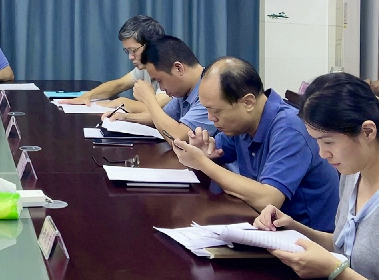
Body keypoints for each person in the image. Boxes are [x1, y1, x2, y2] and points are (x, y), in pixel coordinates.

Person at [171, 57, 339, 230]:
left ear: (248, 103)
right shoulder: (241, 124)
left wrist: (202, 162)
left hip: (305, 237)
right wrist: (204, 152)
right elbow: (215, 151)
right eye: (207, 109)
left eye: (217, 111)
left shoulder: (290, 129)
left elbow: (268, 199)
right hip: (264, 225)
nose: (210, 118)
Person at [254, 72, 379, 280]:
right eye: (317, 142)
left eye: (328, 142)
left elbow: (343, 265)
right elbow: (343, 246)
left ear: (367, 131)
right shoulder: (352, 173)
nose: (322, 153)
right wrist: (292, 227)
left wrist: (336, 272)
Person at [103, 35, 216, 142]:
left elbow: (179, 137)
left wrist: (149, 99)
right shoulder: (184, 90)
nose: (161, 88)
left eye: (160, 80)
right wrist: (125, 117)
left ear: (178, 68)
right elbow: (161, 118)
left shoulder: (211, 90)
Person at [59, 15, 169, 111]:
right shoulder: (145, 66)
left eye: (133, 50)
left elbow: (156, 108)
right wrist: (87, 96)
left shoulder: (170, 71)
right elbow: (119, 84)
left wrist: (121, 102)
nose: (130, 57)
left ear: (151, 46)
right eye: (128, 51)